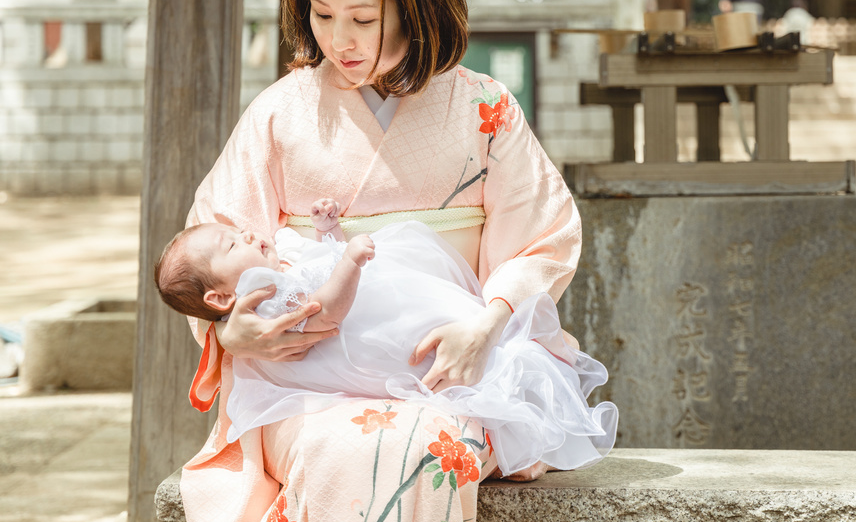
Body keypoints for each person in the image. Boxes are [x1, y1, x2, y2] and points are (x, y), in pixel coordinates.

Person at [179, 0, 584, 522]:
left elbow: (541, 238)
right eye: (323, 15)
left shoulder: (484, 108)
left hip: (452, 373)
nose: (341, 40)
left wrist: (487, 326)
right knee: (338, 448)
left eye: (364, 18)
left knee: (425, 446)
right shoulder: (280, 113)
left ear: (416, 6)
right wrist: (229, 333)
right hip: (304, 380)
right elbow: (213, 244)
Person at [155, 201, 615, 474]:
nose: (246, 232)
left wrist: (329, 234)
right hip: (367, 338)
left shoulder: (279, 260)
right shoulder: (267, 294)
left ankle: (523, 389)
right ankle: (526, 424)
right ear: (219, 299)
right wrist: (348, 261)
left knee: (462, 348)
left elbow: (318, 262)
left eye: (237, 231)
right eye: (232, 243)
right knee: (434, 381)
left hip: (414, 299)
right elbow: (326, 309)